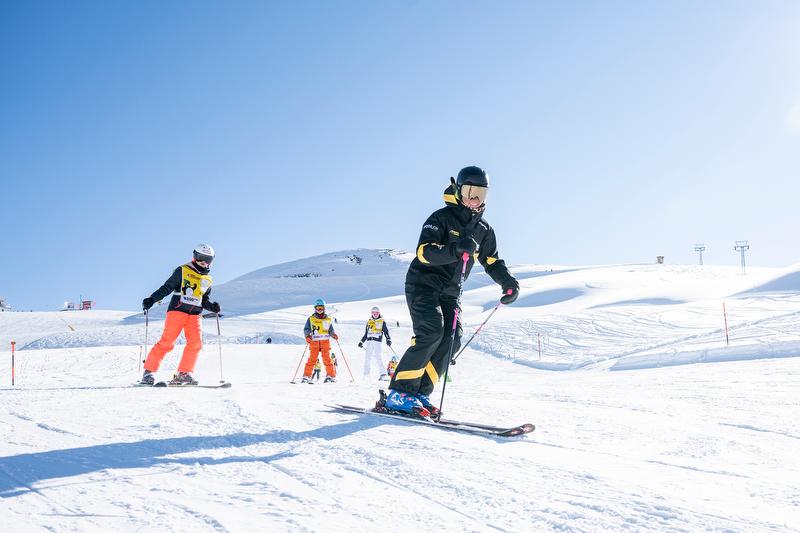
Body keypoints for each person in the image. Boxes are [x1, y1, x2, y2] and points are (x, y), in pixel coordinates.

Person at [384, 166, 519, 416]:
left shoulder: (484, 230)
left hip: (451, 290)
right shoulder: (442, 218)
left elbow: (492, 261)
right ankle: (399, 393)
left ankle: (420, 393)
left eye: (480, 193)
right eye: (469, 191)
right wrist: (454, 249)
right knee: (431, 332)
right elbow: (424, 252)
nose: (474, 199)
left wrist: (508, 283)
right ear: (458, 190)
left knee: (452, 338)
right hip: (423, 283)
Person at [139, 244, 221, 385]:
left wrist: (212, 307)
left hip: (195, 314)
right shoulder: (182, 270)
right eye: (201, 257)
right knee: (167, 342)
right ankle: (148, 373)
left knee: (195, 344)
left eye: (208, 259)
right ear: (194, 256)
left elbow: (203, 299)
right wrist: (152, 299)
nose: (204, 262)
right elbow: (167, 288)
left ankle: (184, 373)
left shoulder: (207, 279)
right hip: (177, 311)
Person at [301, 298, 338, 383]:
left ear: (324, 308)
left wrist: (333, 335)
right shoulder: (311, 319)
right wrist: (307, 336)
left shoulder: (327, 319)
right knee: (312, 359)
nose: (319, 310)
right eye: (318, 308)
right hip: (314, 342)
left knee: (327, 359)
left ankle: (331, 376)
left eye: (321, 308)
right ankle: (306, 376)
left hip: (325, 342)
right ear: (315, 308)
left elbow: (330, 330)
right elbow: (306, 329)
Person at [358, 306, 392, 380]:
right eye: (373, 312)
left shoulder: (382, 321)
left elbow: (386, 332)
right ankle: (366, 375)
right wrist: (361, 341)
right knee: (367, 358)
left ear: (379, 313)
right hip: (369, 341)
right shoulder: (369, 321)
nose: (375, 314)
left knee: (378, 358)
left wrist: (388, 339)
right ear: (371, 313)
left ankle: (383, 374)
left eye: (376, 312)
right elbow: (366, 334)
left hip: (377, 342)